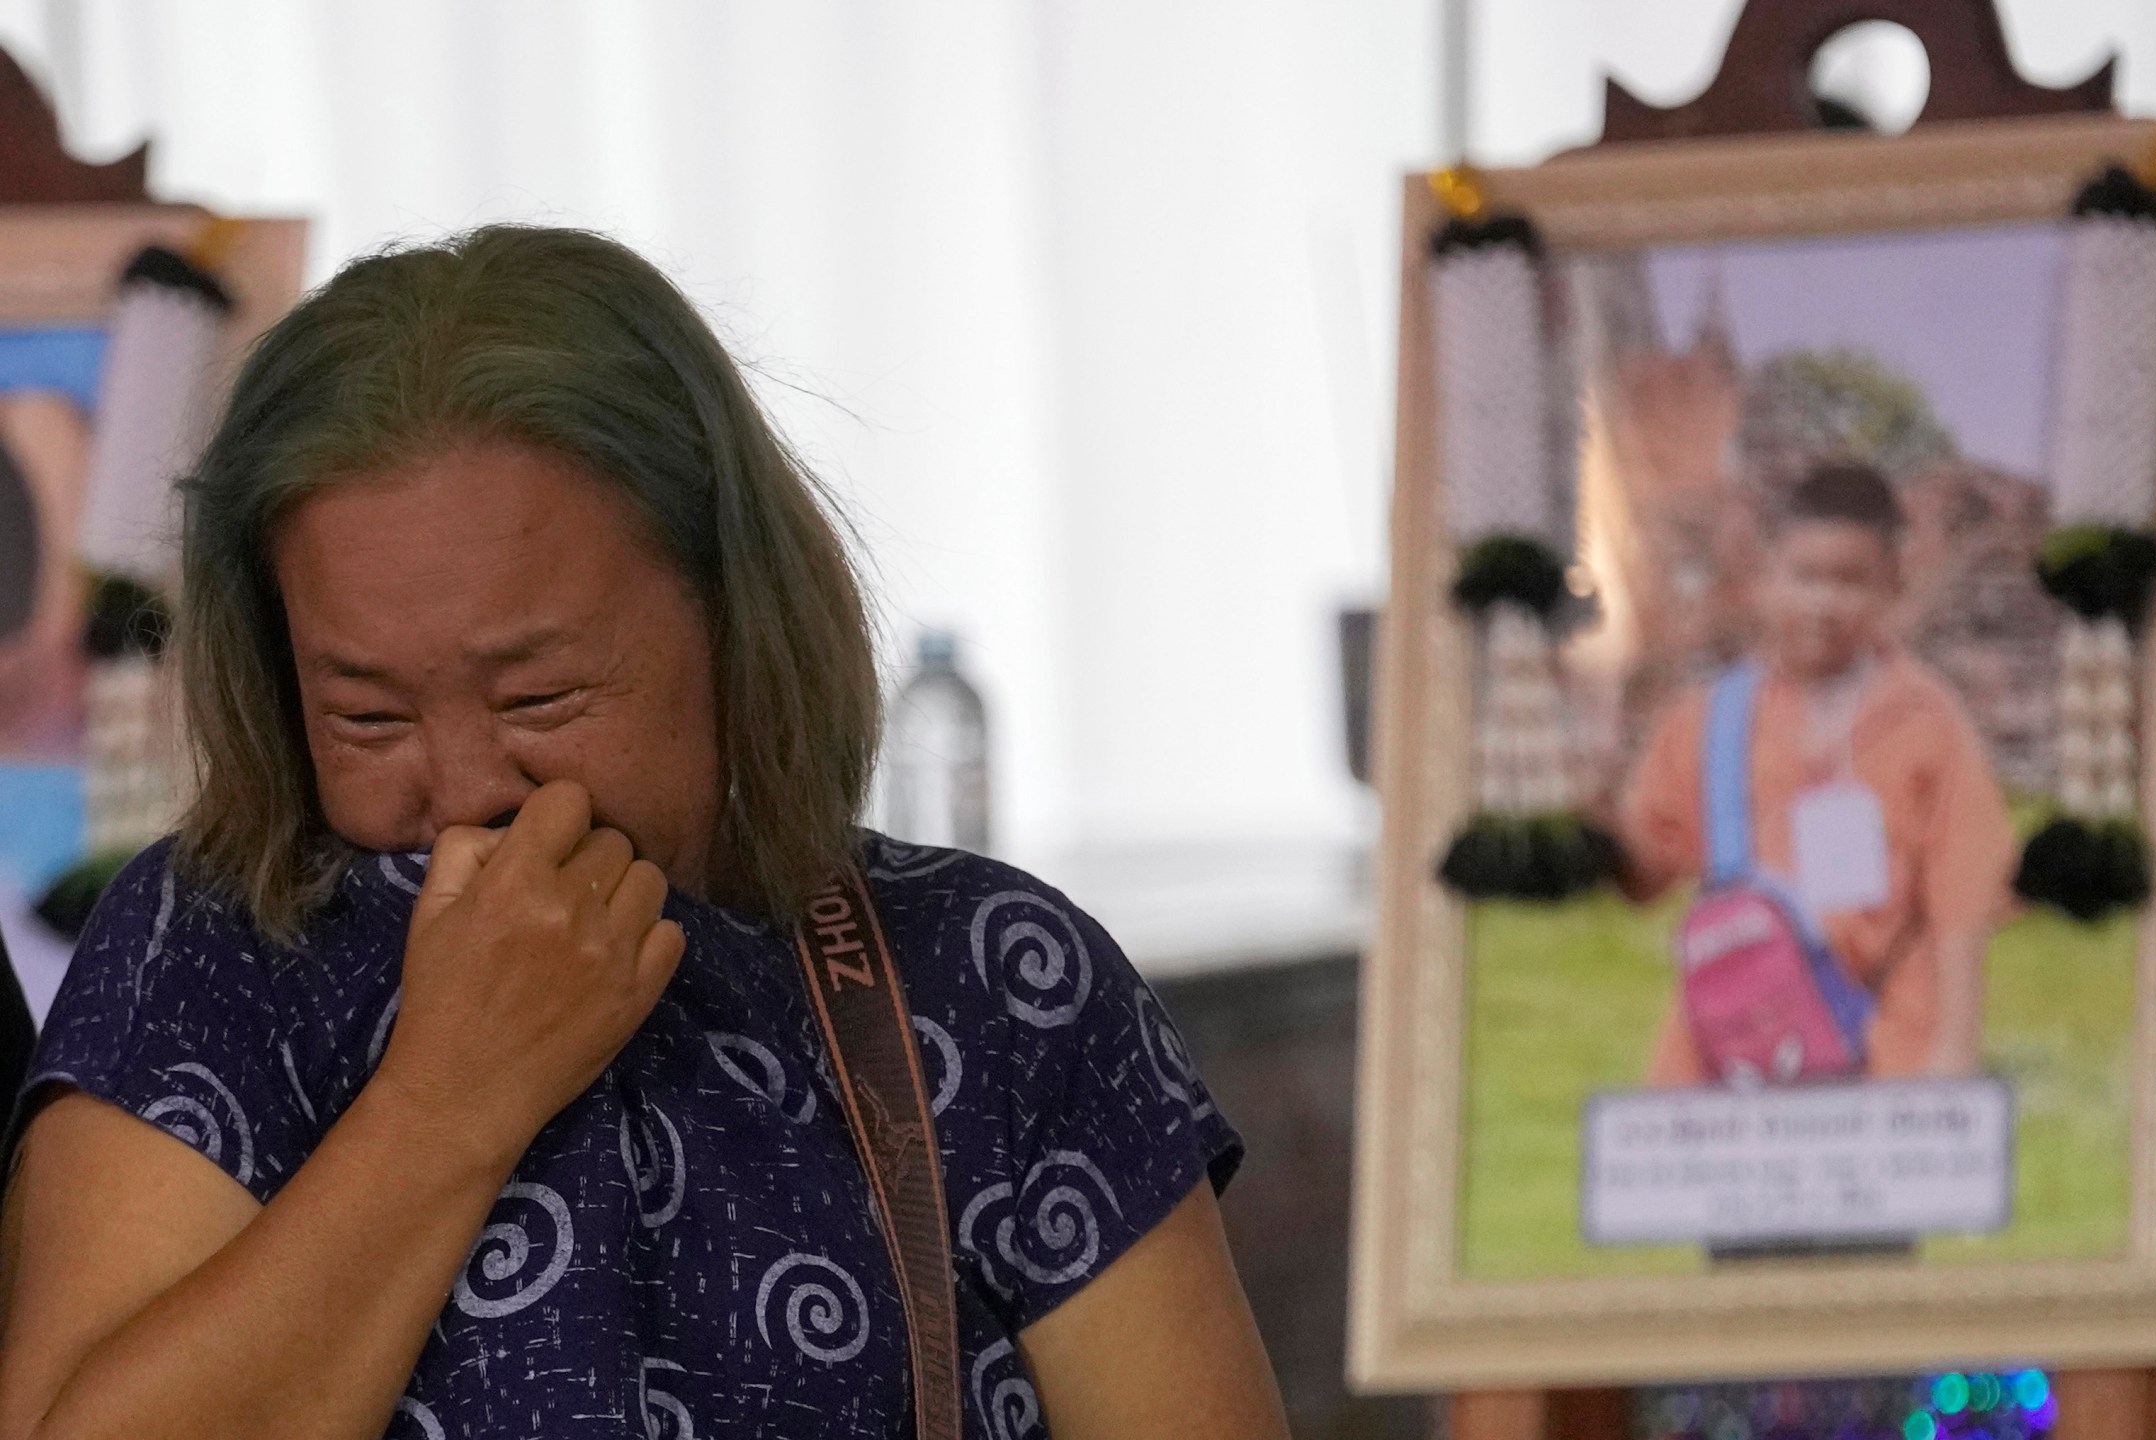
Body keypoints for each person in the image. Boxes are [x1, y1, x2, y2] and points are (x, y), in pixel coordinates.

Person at [0, 227, 1287, 1440]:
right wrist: (449, 1101)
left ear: (736, 616)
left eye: (540, 698)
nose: (466, 792)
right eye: (368, 715)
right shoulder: (217, 942)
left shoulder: (997, 979)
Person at [1618, 461, 2017, 1082]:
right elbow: (1645, 871)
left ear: (1892, 585)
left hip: (1887, 1044)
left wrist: (1954, 1050)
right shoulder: (1709, 721)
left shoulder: (1927, 723)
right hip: (1735, 1051)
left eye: (1851, 582)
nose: (1824, 603)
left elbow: (1963, 900)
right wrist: (1584, 822)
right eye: (1804, 577)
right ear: (1766, 578)